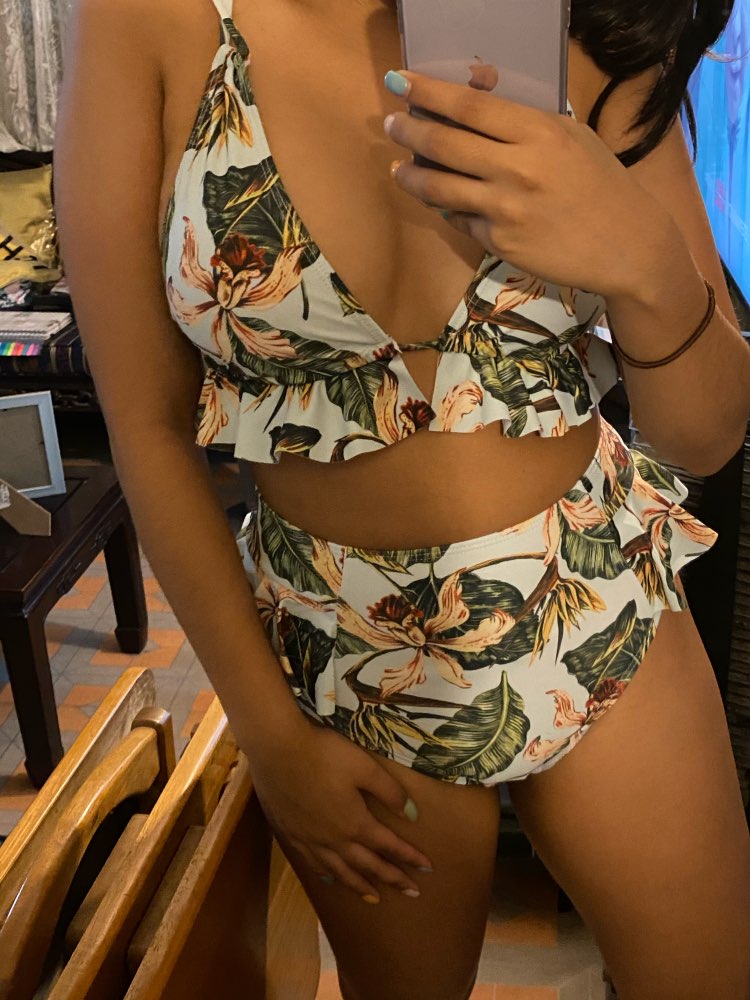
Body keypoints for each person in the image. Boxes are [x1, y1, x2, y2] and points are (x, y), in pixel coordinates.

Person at [54, 0, 750, 997]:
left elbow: (706, 435)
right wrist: (272, 740)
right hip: (346, 643)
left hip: (595, 590)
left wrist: (645, 262)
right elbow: (147, 426)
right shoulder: (149, 17)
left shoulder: (594, 17)